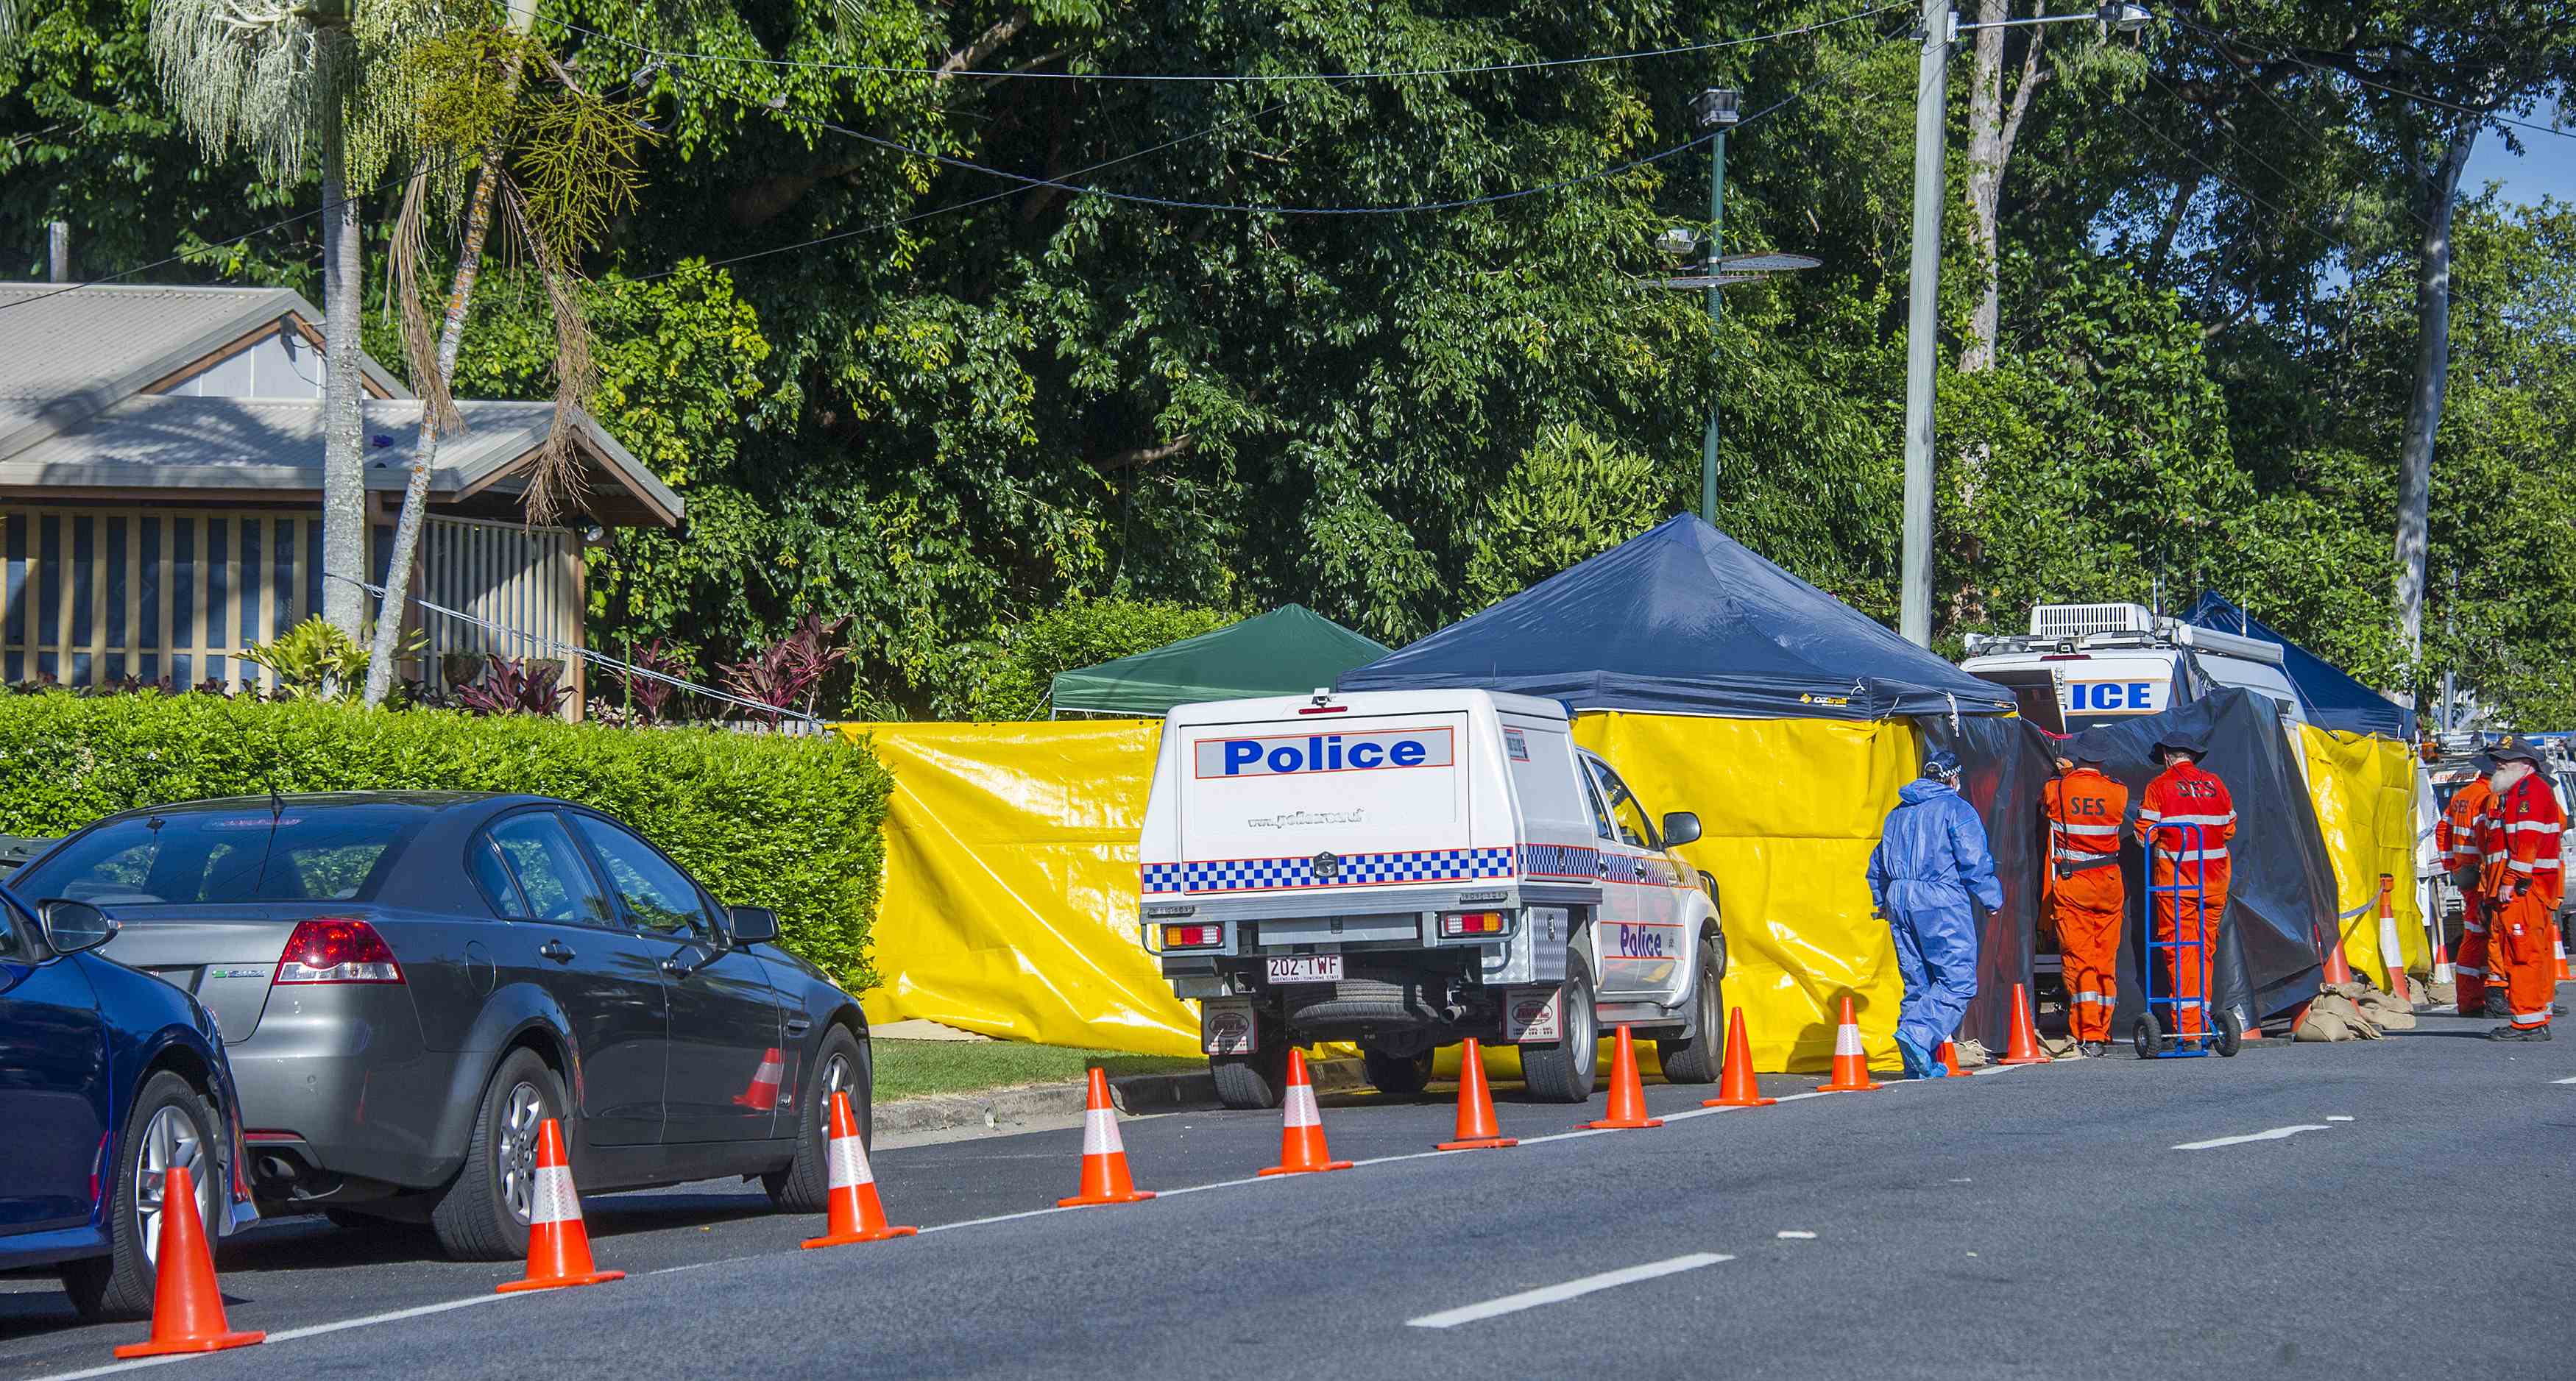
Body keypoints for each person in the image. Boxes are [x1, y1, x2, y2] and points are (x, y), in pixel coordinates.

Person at [1868, 749, 2002, 1078]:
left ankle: (1918, 1061)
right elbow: (1974, 860)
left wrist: (1882, 901)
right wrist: (1991, 898)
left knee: (1917, 980)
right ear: (1953, 777)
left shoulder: (1897, 813)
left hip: (1899, 896)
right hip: (1939, 898)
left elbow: (1876, 864)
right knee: (1958, 980)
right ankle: (1916, 1035)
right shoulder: (1956, 810)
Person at [2135, 731, 2235, 1041]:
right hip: (2215, 881)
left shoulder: (2159, 786)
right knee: (2204, 949)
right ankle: (2203, 1019)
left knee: (2180, 951)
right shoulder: (2216, 784)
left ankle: (2189, 1029)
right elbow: (2229, 829)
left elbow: (2144, 836)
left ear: (2167, 756)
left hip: (2177, 885)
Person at [2044, 748, 2131, 1057]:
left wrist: (2065, 774)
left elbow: (2049, 804)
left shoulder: (2059, 787)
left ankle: (2089, 1034)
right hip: (2109, 881)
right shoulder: (2118, 791)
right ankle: (2103, 1030)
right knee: (2105, 958)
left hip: (2075, 883)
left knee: (2080, 960)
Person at [2480, 737, 2561, 1041]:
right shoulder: (2523, 791)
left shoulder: (2527, 793)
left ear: (2527, 765)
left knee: (2521, 954)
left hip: (2525, 889)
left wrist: (2510, 880)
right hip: (2533, 888)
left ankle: (2527, 1022)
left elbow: (2526, 843)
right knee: (2531, 952)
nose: (2500, 763)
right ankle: (2535, 1017)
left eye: (2507, 759)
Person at [2438, 756, 2499, 1018]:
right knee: (2480, 936)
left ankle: (2474, 998)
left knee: (2475, 934)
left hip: (2467, 874)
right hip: (2481, 876)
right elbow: (2488, 839)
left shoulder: (2463, 795)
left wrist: (2452, 865)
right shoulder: (2487, 797)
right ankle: (2476, 999)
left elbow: (2444, 829)